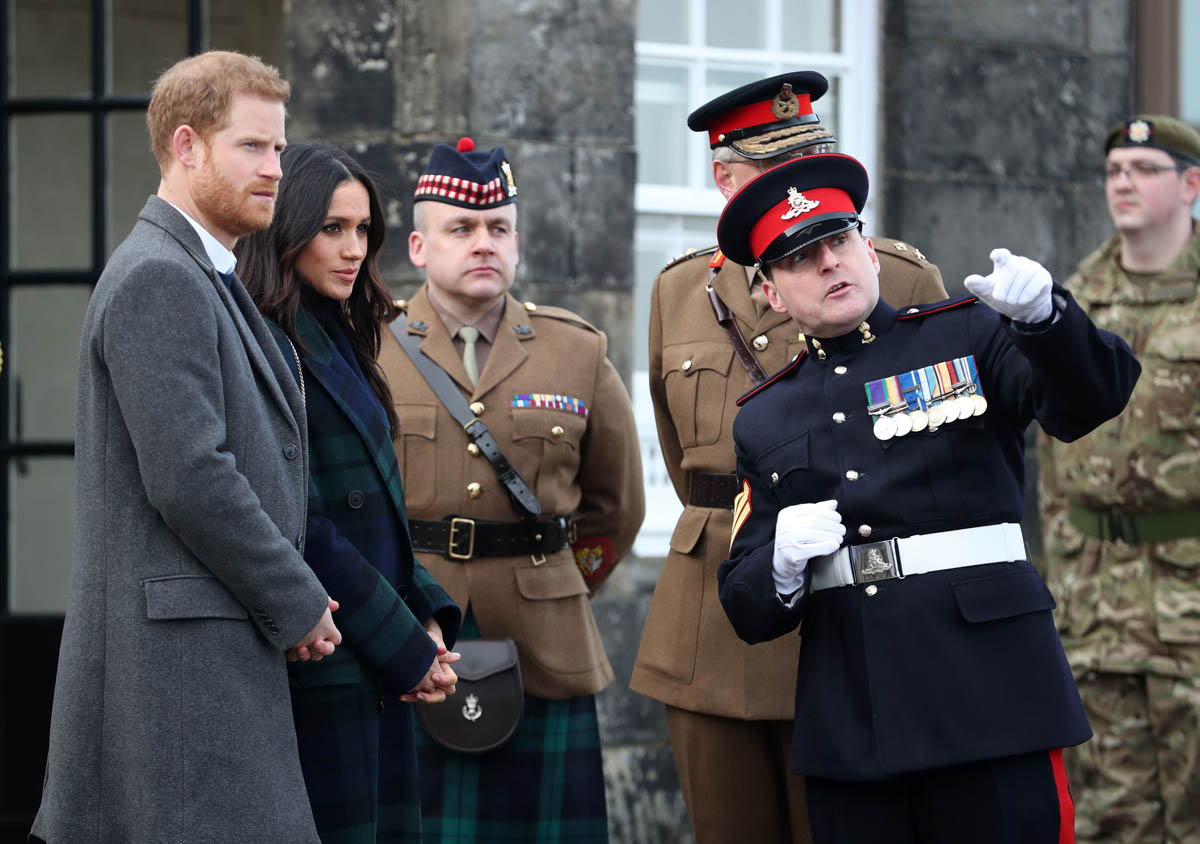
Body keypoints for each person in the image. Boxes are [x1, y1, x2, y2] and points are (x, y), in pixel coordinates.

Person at [715, 152, 1141, 843]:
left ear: (870, 253)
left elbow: (1090, 402)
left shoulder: (967, 333)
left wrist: (1046, 320)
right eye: (799, 258)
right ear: (771, 293)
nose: (829, 263)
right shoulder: (765, 417)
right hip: (857, 719)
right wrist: (780, 567)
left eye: (839, 239)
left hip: (990, 694)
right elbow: (745, 605)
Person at [628, 71, 947, 842]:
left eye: (811, 161)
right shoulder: (679, 290)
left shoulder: (897, 275)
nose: (798, 188)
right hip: (713, 620)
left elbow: (942, 447)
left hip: (856, 609)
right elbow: (688, 463)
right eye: (776, 169)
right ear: (725, 179)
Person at [32, 51, 341, 844]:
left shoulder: (204, 271)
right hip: (177, 676)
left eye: (279, 148)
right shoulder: (160, 278)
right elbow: (191, 476)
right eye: (253, 146)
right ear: (186, 146)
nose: (275, 169)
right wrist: (297, 600)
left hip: (204, 657)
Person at [376, 137, 645, 842]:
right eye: (461, 228)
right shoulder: (370, 349)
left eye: (499, 228)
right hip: (412, 636)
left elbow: (617, 506)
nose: (483, 243)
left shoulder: (576, 350)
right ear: (418, 247)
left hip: (544, 643)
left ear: (517, 243)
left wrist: (555, 584)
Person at [235, 142, 464, 843]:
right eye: (332, 228)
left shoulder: (339, 333)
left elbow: (380, 511)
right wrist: (406, 646)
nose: (354, 249)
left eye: (363, 229)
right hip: (325, 654)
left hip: (367, 654)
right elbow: (300, 521)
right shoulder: (268, 341)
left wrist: (425, 616)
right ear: (288, 228)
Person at [1038, 115, 1200, 844]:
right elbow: (1051, 462)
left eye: (1143, 168)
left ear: (1191, 185)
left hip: (1190, 602)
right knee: (1109, 818)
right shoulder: (1073, 300)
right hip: (1095, 607)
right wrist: (1063, 579)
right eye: (1113, 171)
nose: (1123, 183)